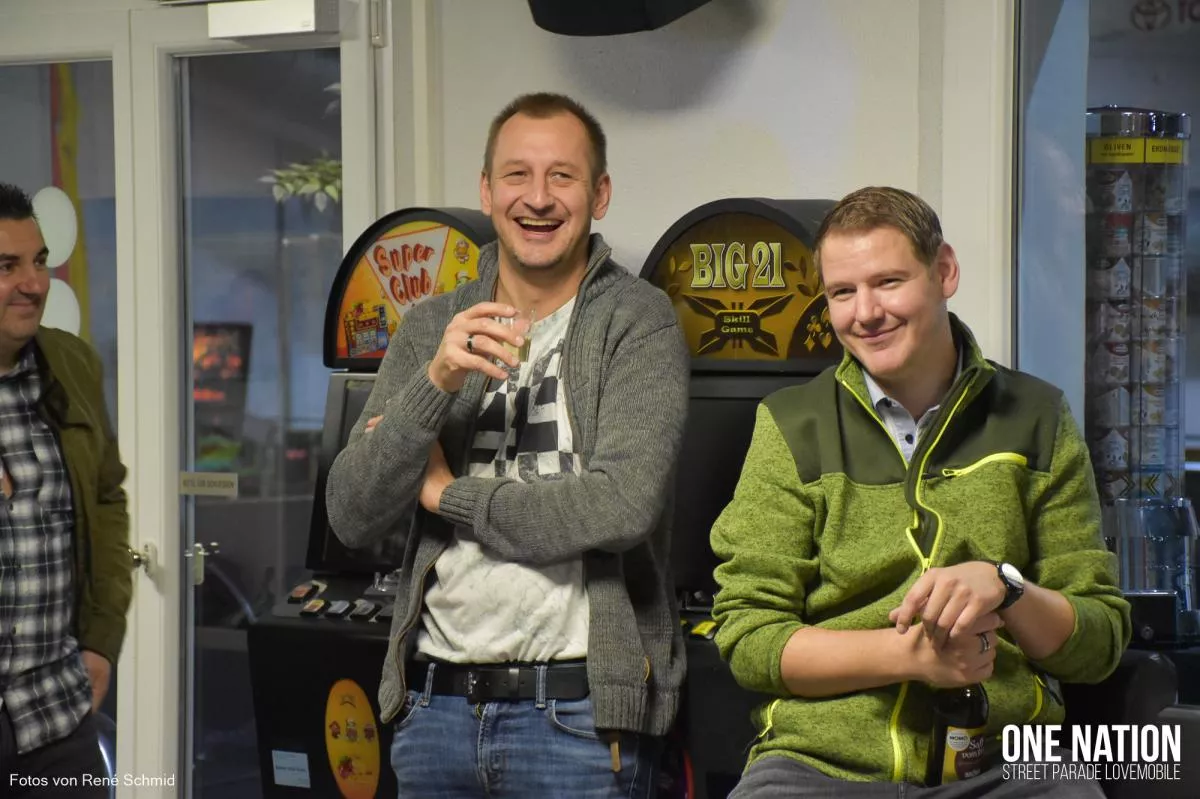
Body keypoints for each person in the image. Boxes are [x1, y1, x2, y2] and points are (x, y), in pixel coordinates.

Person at [710, 186, 1131, 797]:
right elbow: (749, 638)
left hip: (1009, 764)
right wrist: (907, 657)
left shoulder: (1037, 416)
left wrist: (1007, 586)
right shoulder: (791, 424)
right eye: (842, 292)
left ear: (945, 271)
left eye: (888, 282)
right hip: (818, 767)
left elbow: (1099, 642)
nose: (865, 313)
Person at [326, 92, 689, 798]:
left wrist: (446, 495)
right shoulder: (430, 327)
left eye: (563, 176)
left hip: (579, 719)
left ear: (599, 194)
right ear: (487, 190)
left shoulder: (638, 321)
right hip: (433, 710)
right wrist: (436, 380)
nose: (539, 198)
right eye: (517, 174)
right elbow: (351, 512)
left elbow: (619, 508)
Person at [0, 182, 132, 796]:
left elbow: (107, 499)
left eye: (40, 261)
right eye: (7, 266)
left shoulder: (72, 364)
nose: (33, 283)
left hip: (55, 715)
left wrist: (101, 642)